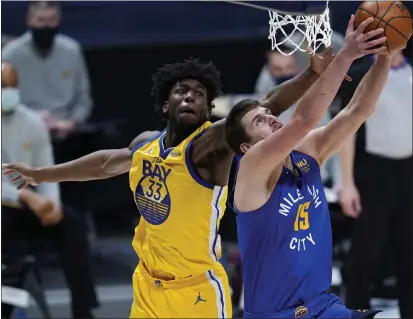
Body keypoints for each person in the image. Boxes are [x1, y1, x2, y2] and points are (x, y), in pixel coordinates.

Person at [4, 47, 338, 317]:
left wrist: (311, 74)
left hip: (196, 293)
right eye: (182, 91)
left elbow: (264, 106)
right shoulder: (146, 145)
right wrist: (41, 173)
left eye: (199, 94)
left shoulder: (210, 146)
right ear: (167, 104)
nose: (190, 97)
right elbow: (106, 163)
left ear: (208, 110)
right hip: (148, 286)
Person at [224, 16, 389, 318]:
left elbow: (359, 109)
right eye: (258, 121)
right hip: (274, 314)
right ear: (245, 147)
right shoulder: (251, 168)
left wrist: (385, 56)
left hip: (322, 306)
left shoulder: (307, 154)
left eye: (267, 113)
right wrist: (347, 55)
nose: (271, 117)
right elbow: (304, 119)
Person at [1, 61, 98, 318]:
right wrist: (23, 195)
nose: (6, 91)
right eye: (2, 86)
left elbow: (47, 169)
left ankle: (83, 309)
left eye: (10, 86)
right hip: (7, 204)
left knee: (72, 223)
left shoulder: (32, 122)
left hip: (30, 203)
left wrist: (51, 205)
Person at [338, 49, 413, 317]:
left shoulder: (410, 73)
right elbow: (345, 131)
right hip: (375, 172)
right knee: (364, 258)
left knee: (409, 257)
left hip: (408, 171)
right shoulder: (359, 75)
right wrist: (346, 182)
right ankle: (356, 312)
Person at [2, 1, 92, 139]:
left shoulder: (72, 51)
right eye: (41, 20)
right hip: (24, 130)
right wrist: (33, 120)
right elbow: (4, 101)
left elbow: (83, 100)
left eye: (51, 20)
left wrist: (70, 122)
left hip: (67, 131)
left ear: (59, 20)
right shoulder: (11, 55)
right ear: (29, 20)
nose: (46, 26)